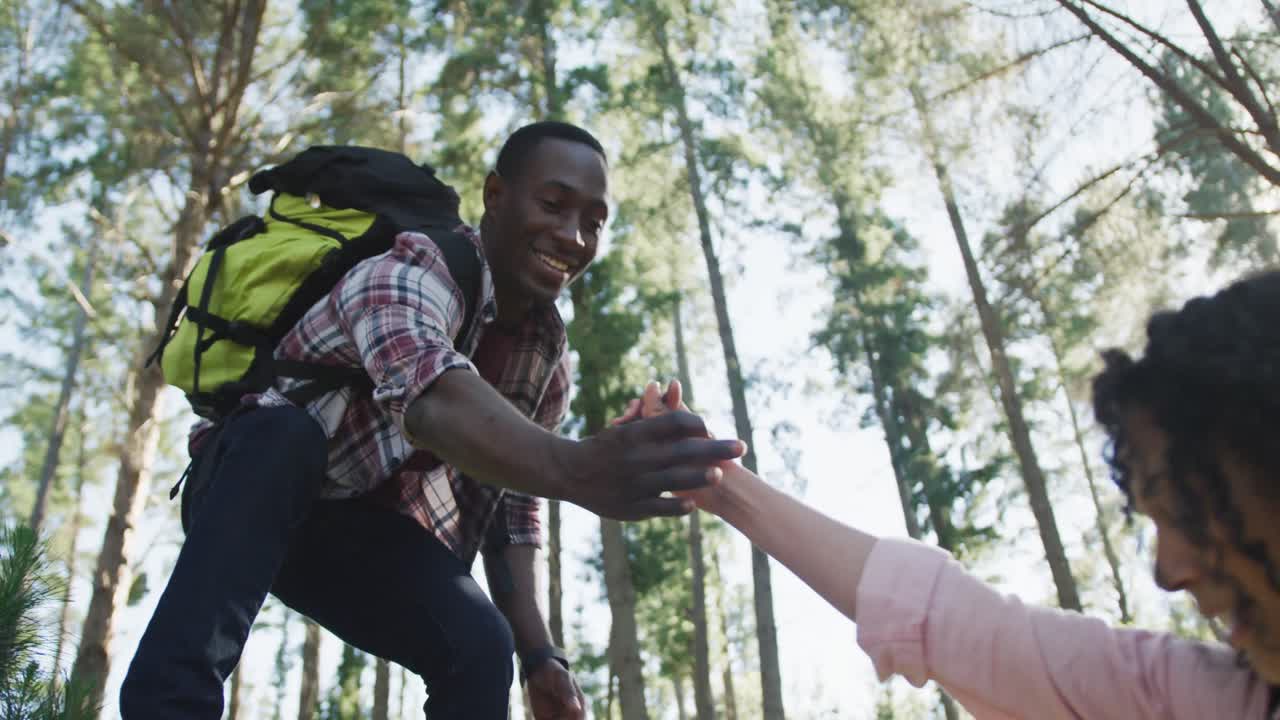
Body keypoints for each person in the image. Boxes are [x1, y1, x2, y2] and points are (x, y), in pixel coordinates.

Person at [119, 121, 745, 720]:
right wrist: (575, 466)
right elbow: (430, 393)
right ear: (494, 196)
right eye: (554, 205)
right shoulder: (413, 267)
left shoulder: (547, 363)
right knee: (282, 437)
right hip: (245, 486)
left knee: (478, 643)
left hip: (349, 525)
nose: (575, 237)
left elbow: (512, 511)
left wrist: (539, 654)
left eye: (594, 222)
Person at [624, 270, 1280, 719]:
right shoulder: (1216, 700)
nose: (1168, 570)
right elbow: (959, 626)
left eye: (1192, 504)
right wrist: (719, 483)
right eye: (1156, 519)